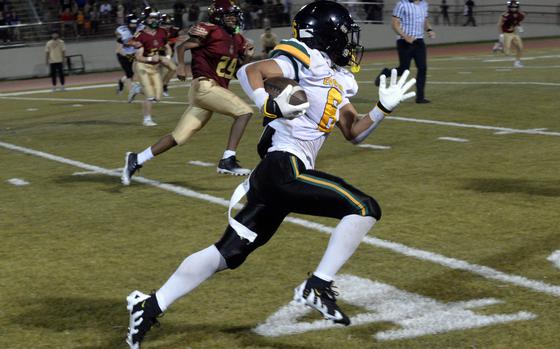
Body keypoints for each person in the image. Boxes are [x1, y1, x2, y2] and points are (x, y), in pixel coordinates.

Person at [124, 1, 416, 348]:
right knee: (364, 208)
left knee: (227, 253)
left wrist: (382, 109)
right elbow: (252, 72)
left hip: (282, 175)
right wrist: (268, 102)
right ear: (324, 34)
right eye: (343, 33)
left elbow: (353, 132)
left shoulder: (339, 77)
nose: (349, 41)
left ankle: (150, 304)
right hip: (283, 166)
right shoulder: (306, 55)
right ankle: (318, 286)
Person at [121, 0, 255, 183]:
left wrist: (246, 57)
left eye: (234, 17)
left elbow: (236, 72)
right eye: (229, 17)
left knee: (179, 137)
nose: (233, 21)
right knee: (244, 112)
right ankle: (228, 159)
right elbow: (182, 46)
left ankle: (137, 159)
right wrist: (182, 66)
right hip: (205, 87)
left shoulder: (237, 39)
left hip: (212, 92)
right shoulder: (211, 30)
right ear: (219, 18)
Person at [375, 0, 435, 104]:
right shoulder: (402, 4)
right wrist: (404, 36)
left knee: (422, 68)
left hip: (419, 41)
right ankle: (384, 74)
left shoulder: (424, 4)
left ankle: (420, 97)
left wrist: (429, 30)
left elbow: (424, 20)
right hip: (404, 41)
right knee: (403, 69)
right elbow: (395, 24)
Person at [129, 9, 176, 126]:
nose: (154, 20)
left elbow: (167, 47)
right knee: (150, 95)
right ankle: (147, 119)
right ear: (145, 20)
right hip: (142, 66)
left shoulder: (162, 32)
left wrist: (168, 57)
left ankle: (137, 89)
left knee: (158, 97)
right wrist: (150, 59)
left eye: (155, 18)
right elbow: (138, 57)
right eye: (151, 18)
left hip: (154, 67)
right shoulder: (140, 35)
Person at [115, 13, 140, 96]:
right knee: (129, 74)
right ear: (127, 23)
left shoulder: (139, 30)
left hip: (132, 54)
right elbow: (119, 49)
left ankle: (121, 82)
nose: (134, 25)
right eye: (132, 23)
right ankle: (131, 93)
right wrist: (127, 55)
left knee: (132, 73)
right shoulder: (122, 31)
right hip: (122, 55)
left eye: (135, 23)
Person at [498, 0, 525, 68]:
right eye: (512, 7)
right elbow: (499, 25)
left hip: (513, 33)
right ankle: (499, 47)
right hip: (506, 34)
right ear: (509, 7)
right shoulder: (505, 15)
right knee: (507, 53)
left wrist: (519, 26)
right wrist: (501, 35)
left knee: (520, 47)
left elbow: (516, 21)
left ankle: (517, 62)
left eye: (515, 7)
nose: (514, 8)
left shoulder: (520, 15)